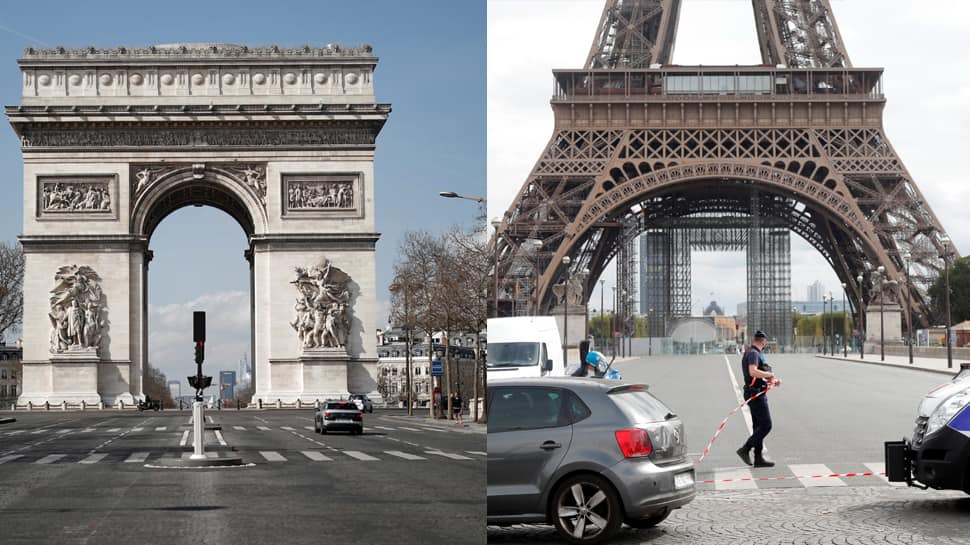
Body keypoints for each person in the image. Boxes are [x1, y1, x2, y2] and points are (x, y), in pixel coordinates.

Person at [736, 330, 781, 468]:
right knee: (766, 425)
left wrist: (772, 380)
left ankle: (758, 458)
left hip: (755, 391)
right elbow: (753, 371)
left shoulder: (750, 352)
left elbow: (756, 377)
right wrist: (769, 374)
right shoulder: (754, 353)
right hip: (756, 394)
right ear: (763, 341)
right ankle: (745, 449)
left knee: (757, 426)